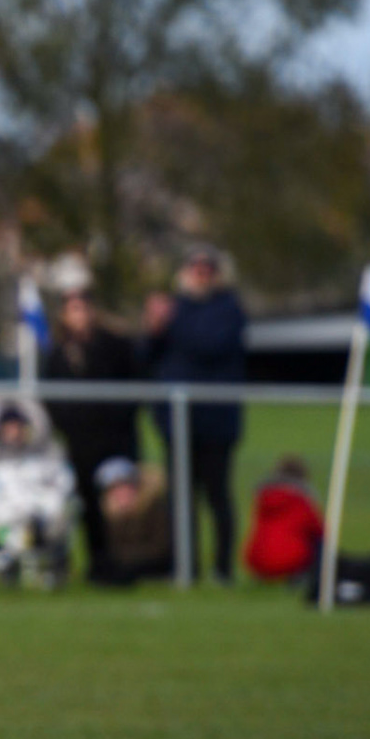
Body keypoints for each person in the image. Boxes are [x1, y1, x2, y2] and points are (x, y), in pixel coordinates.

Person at [143, 247, 248, 582]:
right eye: (195, 269)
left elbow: (209, 344)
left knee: (217, 496)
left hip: (216, 423)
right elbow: (147, 355)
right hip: (176, 423)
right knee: (180, 499)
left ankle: (222, 569)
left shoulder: (228, 308)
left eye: (207, 270)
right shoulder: (176, 310)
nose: (200, 275)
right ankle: (185, 568)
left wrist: (171, 319)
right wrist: (154, 327)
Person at [42, 289, 137, 583]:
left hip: (113, 441)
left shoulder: (114, 346)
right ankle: (95, 564)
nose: (80, 315)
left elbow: (133, 386)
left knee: (118, 506)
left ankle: (123, 565)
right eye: (73, 309)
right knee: (86, 507)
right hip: (78, 443)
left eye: (84, 308)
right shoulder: (57, 353)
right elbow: (51, 399)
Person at [0, 398, 75, 588]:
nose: (14, 433)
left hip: (43, 520)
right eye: (9, 428)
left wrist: (40, 512)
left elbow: (61, 485)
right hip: (5, 525)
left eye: (18, 427)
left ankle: (54, 566)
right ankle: (9, 565)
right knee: (10, 535)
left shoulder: (43, 458)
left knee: (61, 516)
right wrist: (17, 515)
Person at [244, 455, 324, 584]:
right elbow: (319, 529)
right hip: (290, 560)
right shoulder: (302, 499)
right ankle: (315, 577)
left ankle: (263, 574)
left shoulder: (263, 499)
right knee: (320, 541)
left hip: (257, 559)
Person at [95, 457, 174, 583]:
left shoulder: (154, 508)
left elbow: (160, 546)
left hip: (153, 560)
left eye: (125, 486)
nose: (122, 493)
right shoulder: (110, 514)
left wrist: (126, 559)